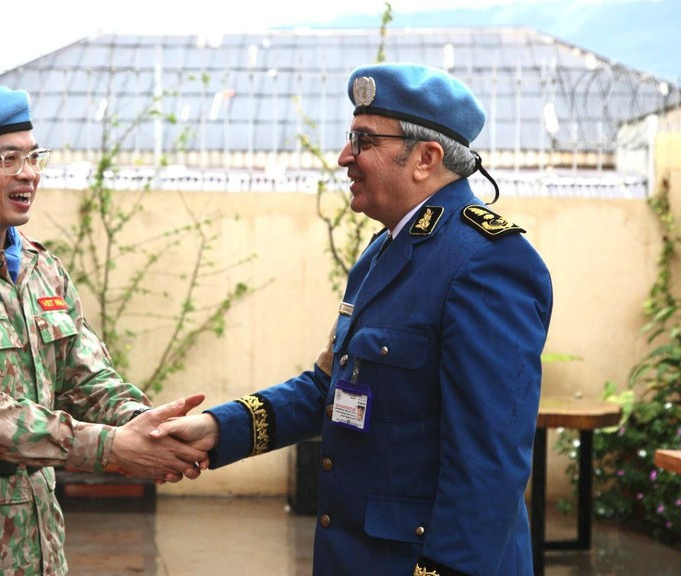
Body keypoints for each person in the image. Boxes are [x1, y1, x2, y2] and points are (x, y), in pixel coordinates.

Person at [155, 63, 553, 576]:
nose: (345, 157)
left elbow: (488, 462)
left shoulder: (487, 262)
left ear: (425, 158)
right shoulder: (383, 253)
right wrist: (216, 429)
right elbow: (334, 389)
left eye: (363, 140)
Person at [0, 85, 208, 576]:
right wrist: (109, 447)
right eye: (7, 158)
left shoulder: (41, 269)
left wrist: (149, 426)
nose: (28, 172)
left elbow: (85, 378)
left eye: (33, 156)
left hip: (36, 532)